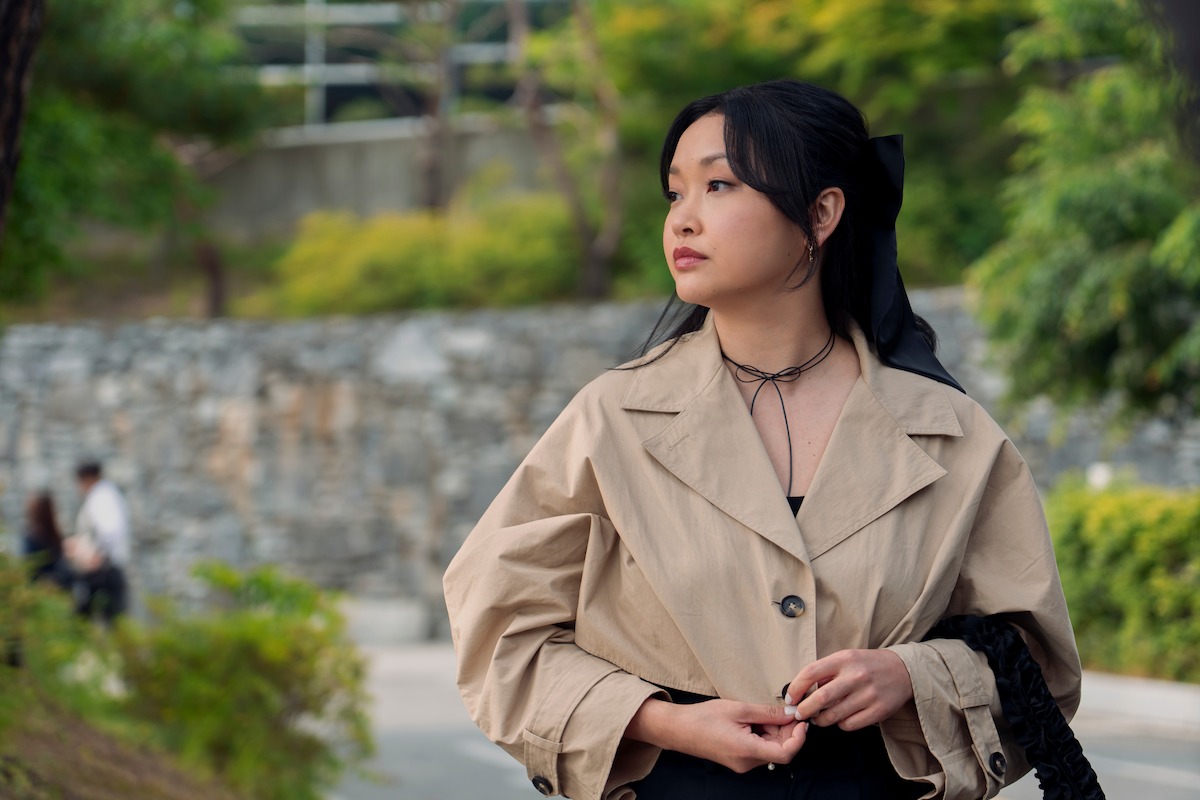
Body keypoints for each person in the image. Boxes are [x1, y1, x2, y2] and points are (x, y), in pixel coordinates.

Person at [443, 80, 1084, 800]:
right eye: (674, 193)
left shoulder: (950, 433)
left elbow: (1039, 664)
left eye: (718, 185)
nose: (683, 220)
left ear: (821, 212)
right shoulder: (611, 420)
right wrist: (663, 722)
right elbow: (503, 635)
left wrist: (912, 674)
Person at [67, 460, 131, 622]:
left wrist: (97, 555)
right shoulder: (107, 495)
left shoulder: (101, 498)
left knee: (101, 617)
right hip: (108, 568)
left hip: (103, 571)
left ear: (87, 478)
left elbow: (109, 531)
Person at [21, 491, 73, 590]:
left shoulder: (32, 537)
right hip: (58, 588)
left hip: (46, 591)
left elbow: (29, 571)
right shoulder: (50, 535)